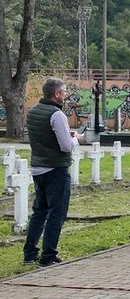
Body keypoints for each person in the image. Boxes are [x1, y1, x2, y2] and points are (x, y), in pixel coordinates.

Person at [23, 77, 84, 267]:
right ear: (57, 94)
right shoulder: (57, 115)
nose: (65, 95)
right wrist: (77, 139)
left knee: (39, 212)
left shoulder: (33, 111)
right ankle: (48, 255)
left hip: (38, 168)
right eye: (64, 92)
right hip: (55, 169)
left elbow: (44, 136)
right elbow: (65, 146)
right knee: (56, 214)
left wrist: (67, 135)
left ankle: (30, 254)